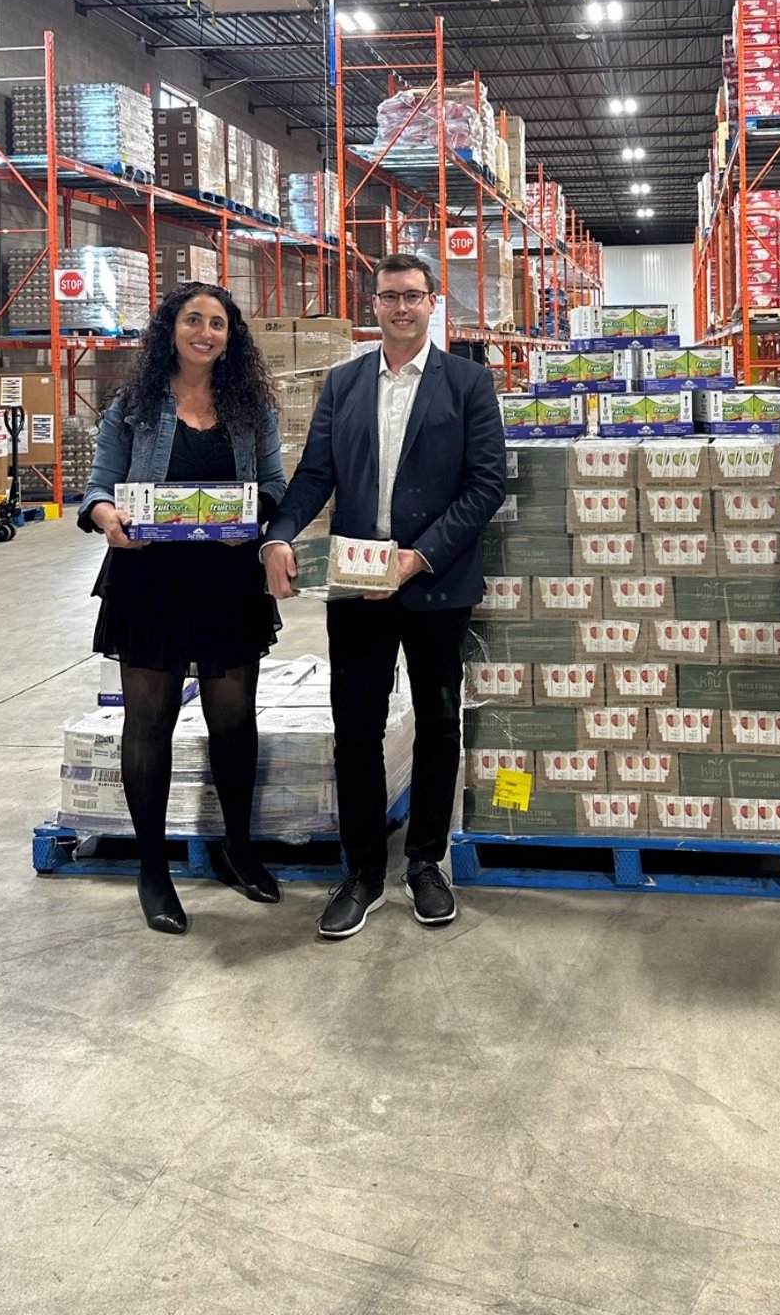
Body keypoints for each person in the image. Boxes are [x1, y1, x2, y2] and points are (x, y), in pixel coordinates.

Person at [261, 253, 507, 940]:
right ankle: (362, 872)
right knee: (356, 730)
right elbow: (313, 476)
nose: (400, 308)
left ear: (434, 303)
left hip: (435, 582)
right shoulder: (342, 385)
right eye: (388, 297)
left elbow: (485, 486)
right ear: (374, 306)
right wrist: (278, 534)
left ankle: (425, 863)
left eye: (413, 296)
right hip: (357, 585)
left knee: (437, 724)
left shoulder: (468, 384)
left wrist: (418, 555)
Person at [79, 282, 286, 936]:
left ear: (231, 338)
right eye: (193, 319)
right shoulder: (135, 406)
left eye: (217, 323)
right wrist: (107, 516)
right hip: (149, 578)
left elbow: (276, 485)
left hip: (228, 579)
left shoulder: (250, 408)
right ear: (171, 329)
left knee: (233, 722)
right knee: (149, 725)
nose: (205, 332)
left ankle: (239, 851)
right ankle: (153, 871)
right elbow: (98, 488)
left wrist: (253, 518)